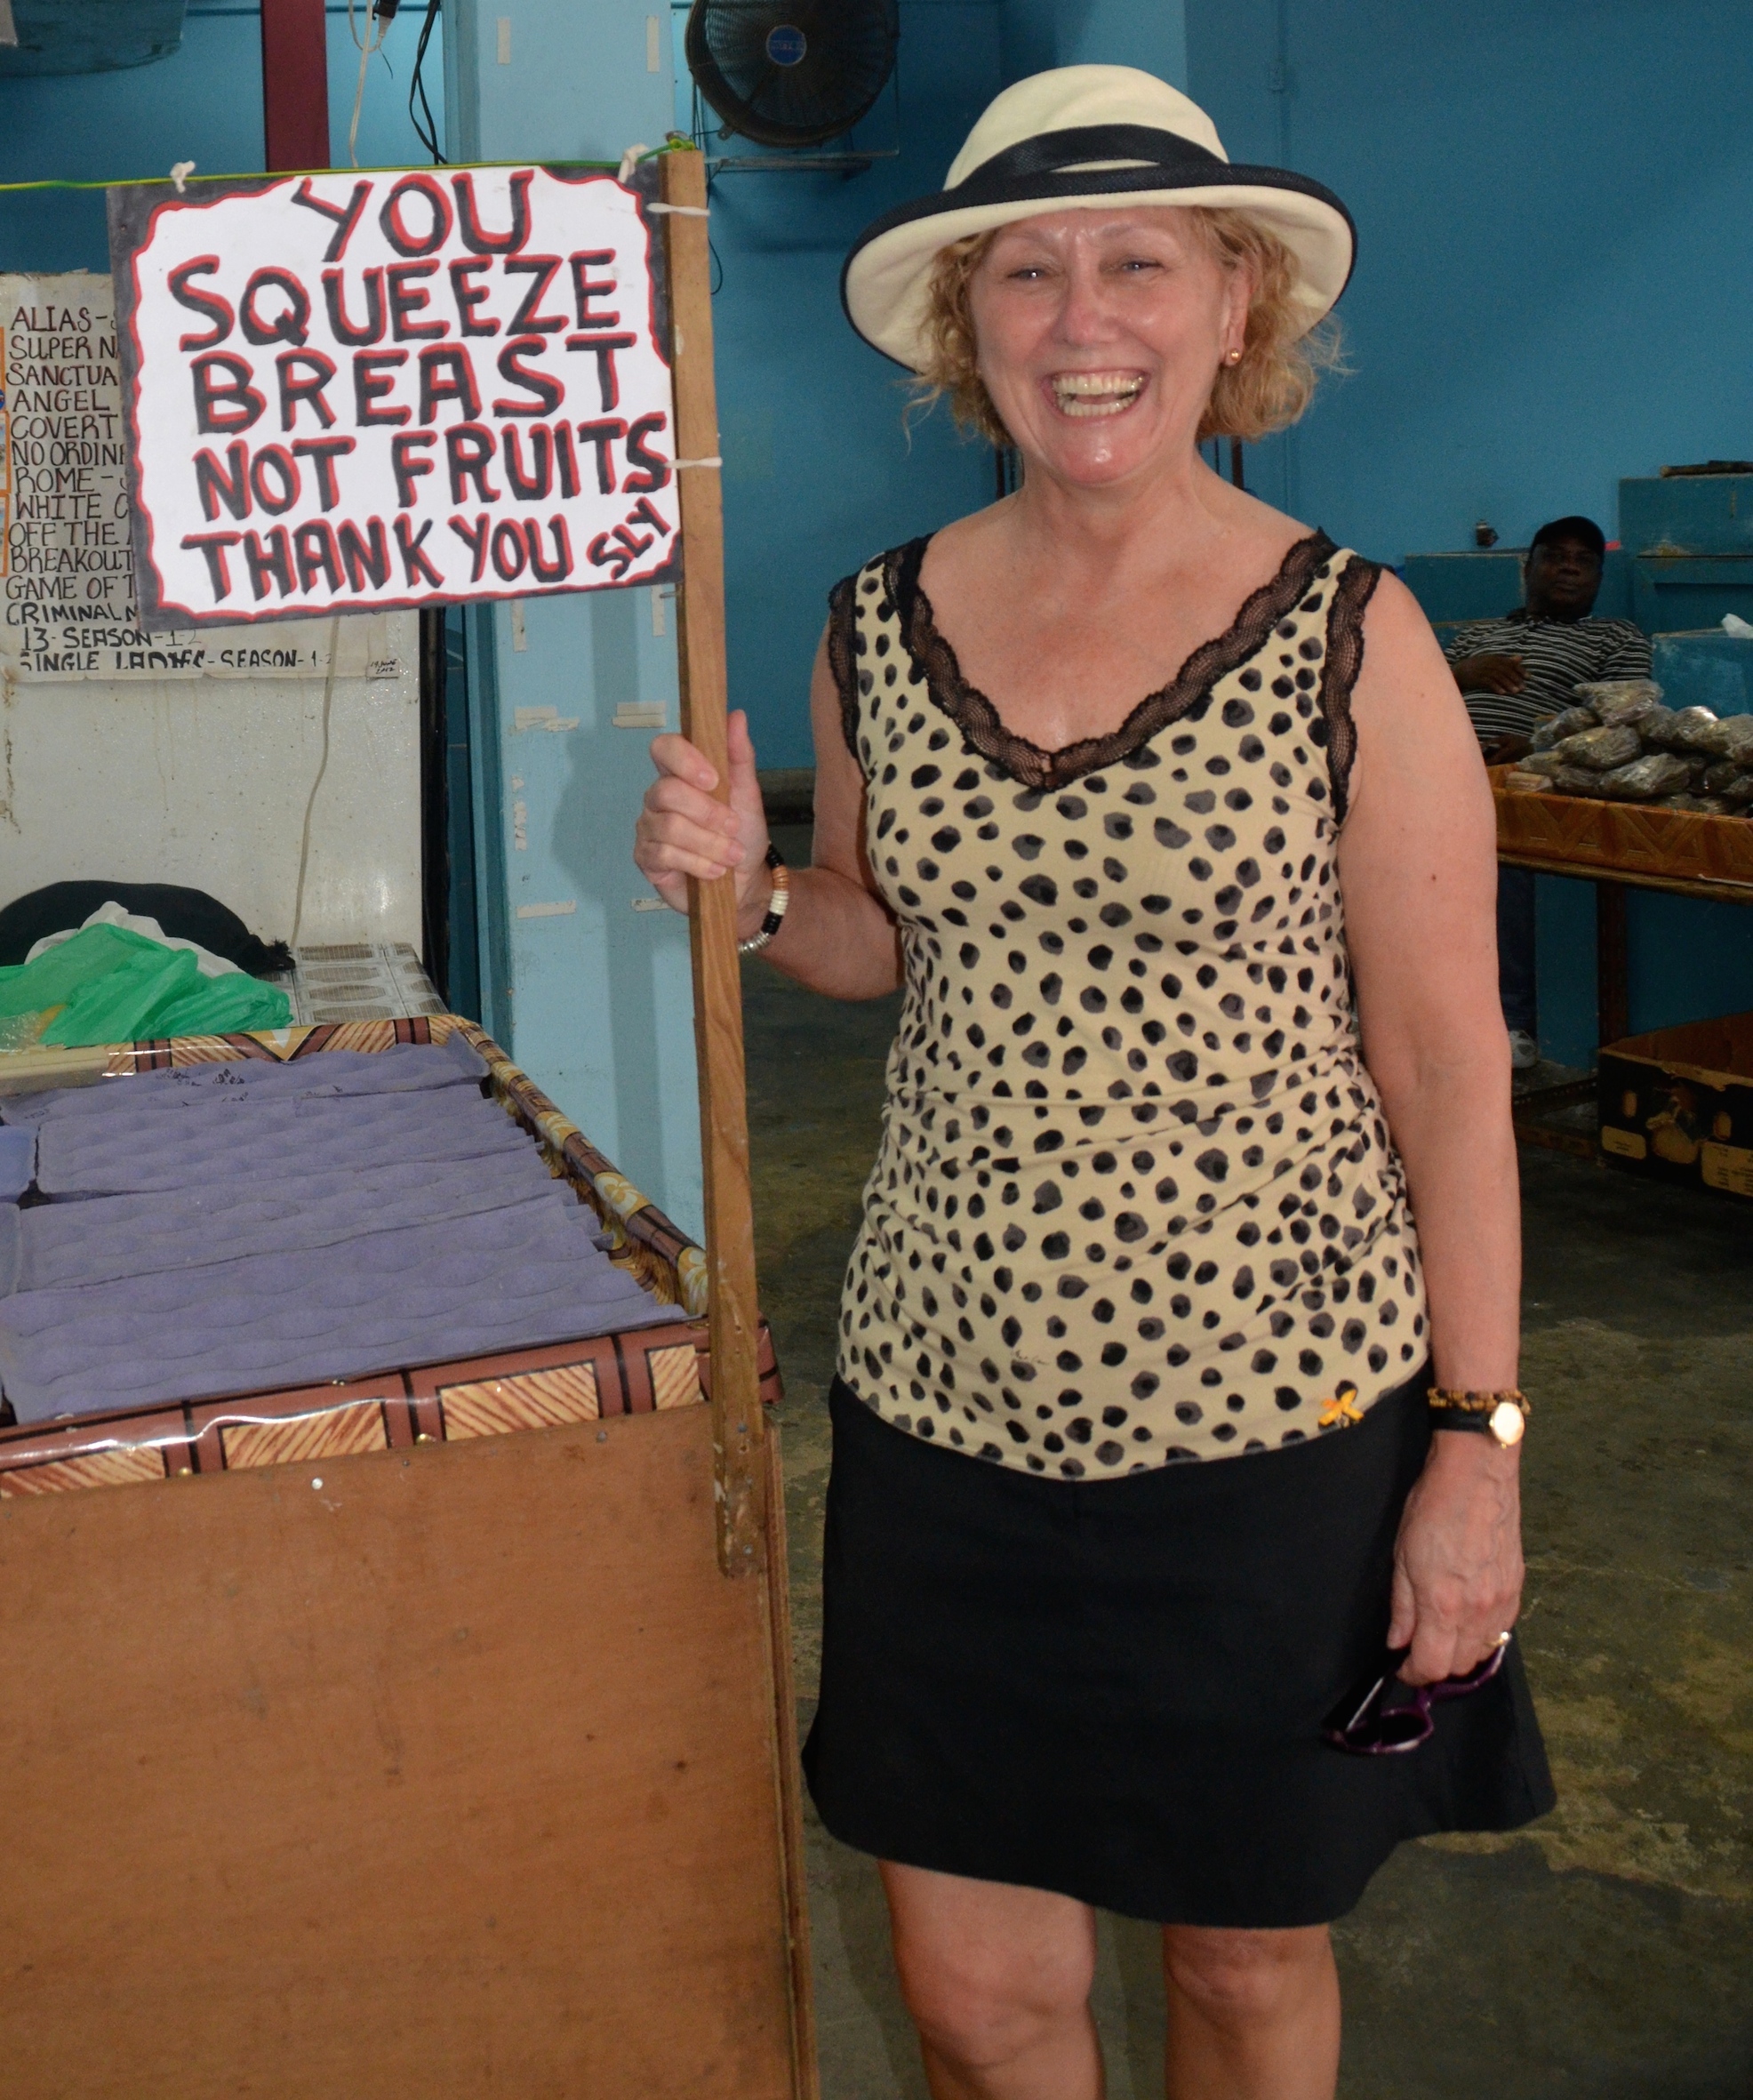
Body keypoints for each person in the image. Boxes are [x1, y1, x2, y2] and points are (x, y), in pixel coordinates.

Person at [636, 65, 1552, 2100]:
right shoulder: (874, 624)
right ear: (967, 327)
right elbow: (877, 936)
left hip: (1270, 1422)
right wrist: (753, 884)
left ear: (1233, 307)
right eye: (1025, 273)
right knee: (973, 2001)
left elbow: (1438, 1068)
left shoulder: (1351, 637)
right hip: (945, 1398)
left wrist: (1471, 1442)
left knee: (1233, 1970)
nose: (1081, 319)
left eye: (1135, 262)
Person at [1445, 517, 1652, 1069]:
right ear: (1528, 567)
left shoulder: (1615, 637)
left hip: (1534, 783)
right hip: (1443, 774)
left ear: (1598, 579)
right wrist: (1462, 674)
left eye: (1583, 561)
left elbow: (1627, 722)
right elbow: (1407, 693)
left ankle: (1512, 1022)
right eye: (1555, 556)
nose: (1568, 566)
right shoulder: (1475, 637)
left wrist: (1536, 743)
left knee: (1509, 861)